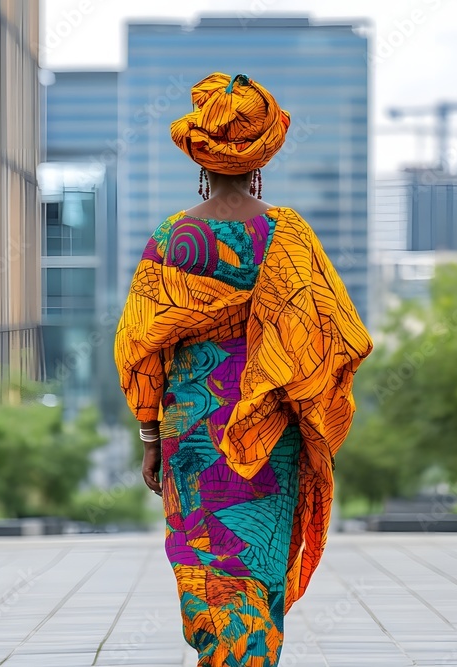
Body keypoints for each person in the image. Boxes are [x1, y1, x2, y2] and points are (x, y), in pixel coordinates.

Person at [114, 71, 373, 666]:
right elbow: (330, 336)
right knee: (256, 561)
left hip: (190, 430)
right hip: (269, 428)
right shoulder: (289, 237)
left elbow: (139, 349)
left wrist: (150, 439)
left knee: (204, 560)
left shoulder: (171, 239)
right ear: (261, 157)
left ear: (201, 158)